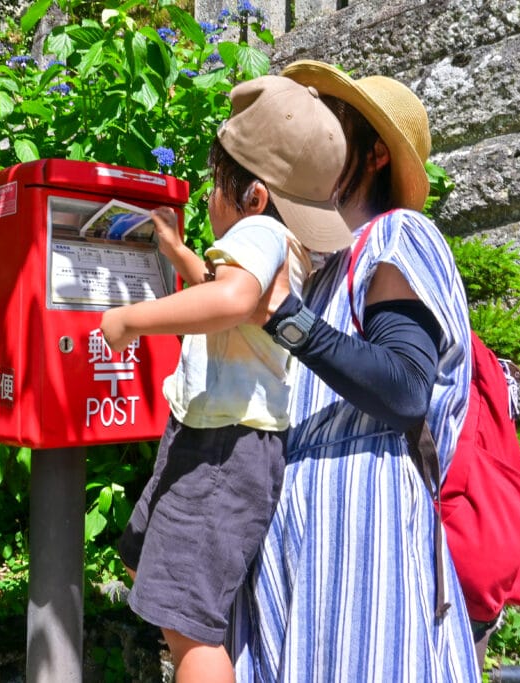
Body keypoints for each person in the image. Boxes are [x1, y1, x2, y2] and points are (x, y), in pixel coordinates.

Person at [228, 60, 481, 681]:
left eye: (333, 126)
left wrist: (287, 318)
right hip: (305, 526)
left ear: (373, 156)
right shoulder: (325, 267)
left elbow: (405, 387)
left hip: (364, 522)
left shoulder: (399, 235)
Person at [99, 75, 353, 683]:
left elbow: (232, 299)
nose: (212, 196)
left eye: (217, 184)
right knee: (146, 565)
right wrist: (178, 252)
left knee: (189, 627)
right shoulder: (280, 241)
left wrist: (130, 321)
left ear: (255, 196)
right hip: (208, 438)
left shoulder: (259, 233)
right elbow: (227, 291)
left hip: (223, 450)